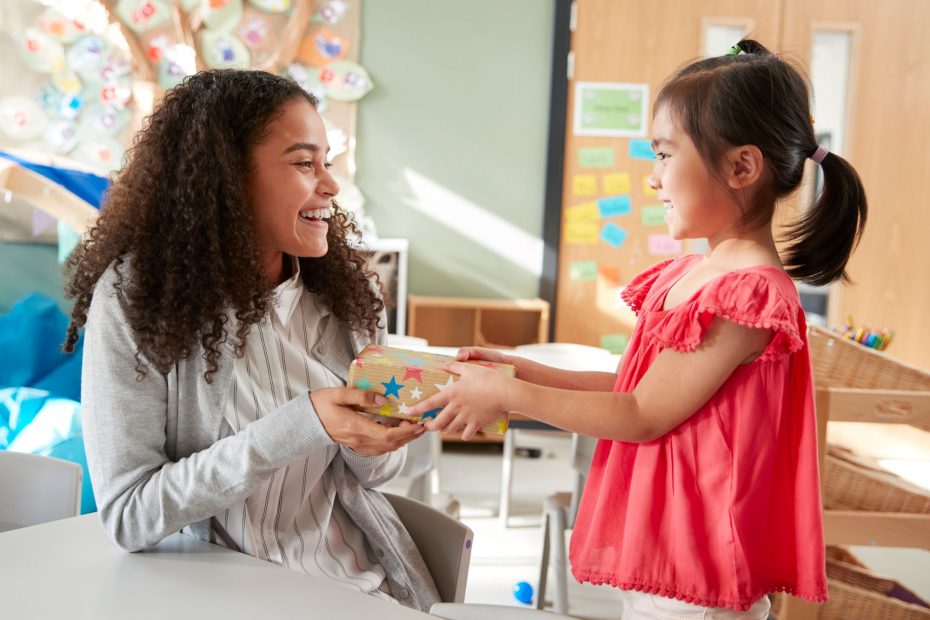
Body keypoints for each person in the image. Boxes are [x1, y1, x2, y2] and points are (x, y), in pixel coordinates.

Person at [409, 39, 867, 618]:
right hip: (665, 554)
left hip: (697, 569)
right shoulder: (698, 274)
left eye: (665, 155)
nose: (653, 179)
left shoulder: (746, 294)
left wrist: (507, 394)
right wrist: (518, 371)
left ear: (741, 166)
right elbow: (635, 391)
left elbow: (642, 417)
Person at [63, 69, 440, 611]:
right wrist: (304, 423)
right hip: (207, 599)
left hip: (350, 589)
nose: (330, 185)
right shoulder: (138, 299)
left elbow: (372, 478)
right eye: (304, 163)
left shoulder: (350, 298)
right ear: (227, 177)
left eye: (327, 162)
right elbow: (130, 515)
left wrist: (376, 437)